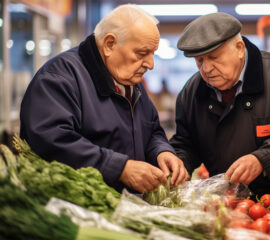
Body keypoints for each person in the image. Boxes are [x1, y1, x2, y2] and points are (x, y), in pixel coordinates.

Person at [170, 12, 270, 217]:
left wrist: (263, 160)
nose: (207, 69)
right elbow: (186, 142)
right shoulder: (192, 92)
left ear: (239, 49)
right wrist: (178, 162)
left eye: (213, 57)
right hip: (228, 211)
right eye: (199, 61)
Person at [19, 4, 189, 194]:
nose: (150, 64)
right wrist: (120, 168)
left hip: (126, 208)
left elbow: (152, 130)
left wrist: (162, 151)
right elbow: (51, 141)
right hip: (76, 207)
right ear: (109, 44)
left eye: (152, 54)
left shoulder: (131, 81)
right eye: (142, 53)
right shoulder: (59, 78)